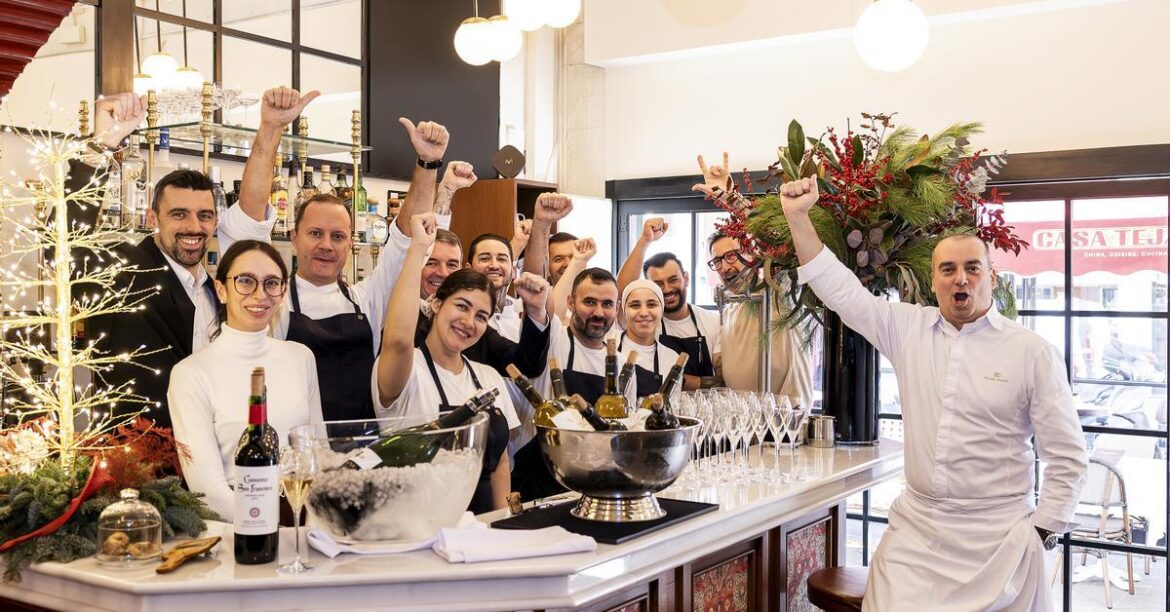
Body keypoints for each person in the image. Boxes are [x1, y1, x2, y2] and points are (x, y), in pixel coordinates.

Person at [777, 176, 1087, 611]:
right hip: (915, 537)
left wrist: (1042, 531)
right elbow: (841, 292)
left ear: (991, 277)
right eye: (948, 269)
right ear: (934, 277)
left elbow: (1068, 454)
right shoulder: (907, 329)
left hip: (999, 540)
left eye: (972, 268)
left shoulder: (1032, 352)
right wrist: (797, 216)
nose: (961, 279)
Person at [235, 86, 448, 421]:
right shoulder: (273, 304)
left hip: (363, 450)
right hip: (299, 452)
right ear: (294, 237)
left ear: (350, 243)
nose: (326, 245)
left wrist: (428, 163)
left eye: (337, 236)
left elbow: (409, 235)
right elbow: (248, 220)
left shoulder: (367, 300)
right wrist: (271, 129)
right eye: (315, 234)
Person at [77, 93, 279, 428]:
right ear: (153, 218)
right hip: (142, 461)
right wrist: (101, 146)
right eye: (179, 214)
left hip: (214, 456)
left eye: (204, 216)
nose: (194, 227)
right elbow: (67, 245)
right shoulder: (125, 272)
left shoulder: (219, 289)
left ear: (216, 221)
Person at [373, 214, 550, 513]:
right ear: (436, 304)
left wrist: (501, 521)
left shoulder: (489, 378)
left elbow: (500, 462)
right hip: (418, 523)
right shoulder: (408, 370)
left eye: (481, 316)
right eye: (461, 307)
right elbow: (398, 339)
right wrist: (417, 249)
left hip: (481, 524)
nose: (469, 322)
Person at [168, 240, 323, 521]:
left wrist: (311, 527)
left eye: (271, 283)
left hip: (302, 522)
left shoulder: (301, 358)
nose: (259, 294)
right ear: (221, 290)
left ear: (282, 291)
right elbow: (207, 490)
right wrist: (265, 524)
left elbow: (317, 454)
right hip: (236, 531)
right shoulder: (190, 373)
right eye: (246, 281)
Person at [694, 153, 812, 404]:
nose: (725, 267)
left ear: (752, 251)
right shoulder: (731, 304)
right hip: (743, 424)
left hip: (786, 422)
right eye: (717, 261)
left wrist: (728, 196)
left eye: (731, 256)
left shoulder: (778, 286)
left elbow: (769, 236)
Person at [617, 217, 722, 390]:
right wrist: (645, 240)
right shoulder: (646, 322)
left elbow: (723, 377)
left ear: (686, 278)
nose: (667, 289)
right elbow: (624, 291)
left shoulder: (712, 321)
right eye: (658, 284)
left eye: (673, 280)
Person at [615, 279, 683, 401]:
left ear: (662, 310)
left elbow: (671, 407)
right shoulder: (608, 343)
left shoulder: (671, 358)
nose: (644, 313)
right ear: (623, 311)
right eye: (635, 305)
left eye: (651, 305)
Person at [467, 233, 523, 342]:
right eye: (484, 259)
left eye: (502, 259)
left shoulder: (523, 315)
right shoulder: (459, 315)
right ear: (468, 269)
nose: (494, 266)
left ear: (513, 271)